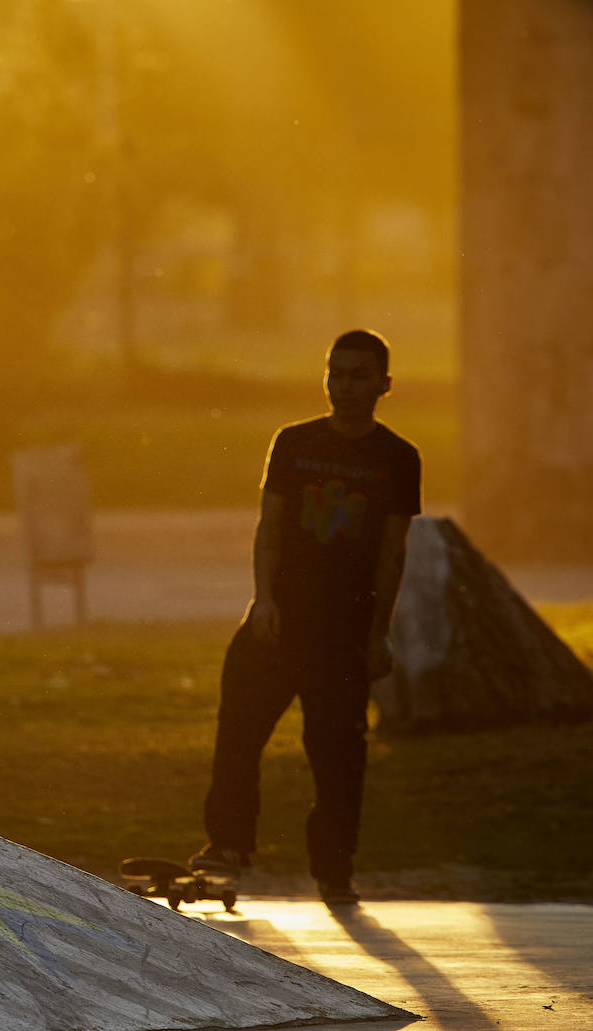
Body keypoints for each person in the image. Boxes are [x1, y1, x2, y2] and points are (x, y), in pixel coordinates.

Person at [189, 329, 421, 905]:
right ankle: (228, 845)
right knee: (238, 734)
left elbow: (392, 554)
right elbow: (269, 530)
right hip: (276, 623)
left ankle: (335, 869)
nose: (344, 387)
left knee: (339, 753)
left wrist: (378, 637)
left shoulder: (397, 458)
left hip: (343, 634)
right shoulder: (292, 443)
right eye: (335, 374)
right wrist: (263, 600)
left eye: (358, 376)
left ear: (384, 384)